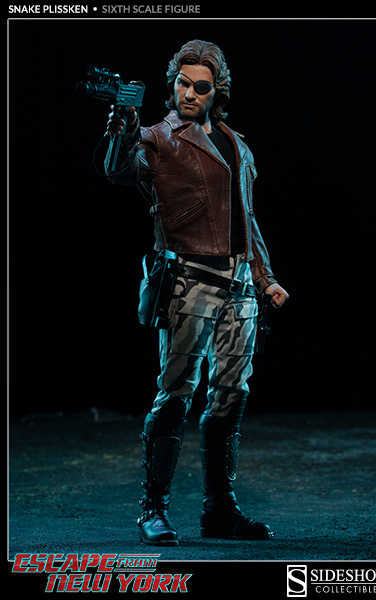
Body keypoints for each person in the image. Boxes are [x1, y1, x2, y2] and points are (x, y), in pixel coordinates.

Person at [104, 39, 289, 546]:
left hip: (239, 286)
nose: (188, 93)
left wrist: (266, 277)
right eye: (182, 84)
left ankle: (220, 510)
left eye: (200, 87)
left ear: (217, 92)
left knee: (231, 394)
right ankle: (153, 508)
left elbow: (247, 220)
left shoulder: (237, 145)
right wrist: (122, 125)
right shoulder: (159, 137)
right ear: (172, 85)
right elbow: (119, 170)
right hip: (189, 280)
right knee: (177, 391)